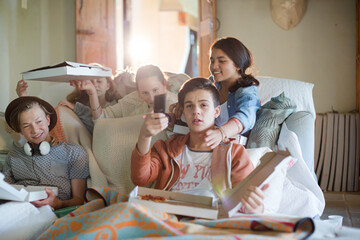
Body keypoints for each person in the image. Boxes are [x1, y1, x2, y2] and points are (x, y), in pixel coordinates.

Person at [131, 77, 267, 214]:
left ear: (216, 111)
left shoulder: (234, 154)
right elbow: (140, 178)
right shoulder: (167, 148)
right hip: (167, 217)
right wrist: (145, 136)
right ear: (183, 112)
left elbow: (243, 203)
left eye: (203, 105)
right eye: (189, 106)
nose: (196, 111)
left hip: (209, 222)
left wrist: (255, 207)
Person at [171, 37, 261, 149]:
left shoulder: (247, 92)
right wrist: (183, 104)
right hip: (202, 142)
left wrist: (221, 133)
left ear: (238, 65)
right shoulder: (212, 84)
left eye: (221, 61)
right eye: (212, 61)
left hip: (231, 149)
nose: (214, 66)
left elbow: (245, 117)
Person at [3, 96, 89, 210]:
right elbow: (5, 193)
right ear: (20, 130)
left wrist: (59, 204)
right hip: (19, 210)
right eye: (26, 126)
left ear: (48, 120)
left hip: (56, 212)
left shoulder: (74, 153)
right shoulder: (13, 157)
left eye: (39, 122)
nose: (35, 130)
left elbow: (78, 200)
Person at [70, 64, 178, 121]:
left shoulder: (175, 106)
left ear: (164, 83)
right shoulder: (134, 99)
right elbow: (101, 118)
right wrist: (92, 91)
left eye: (155, 90)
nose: (151, 98)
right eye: (144, 92)